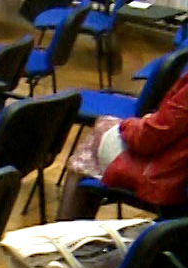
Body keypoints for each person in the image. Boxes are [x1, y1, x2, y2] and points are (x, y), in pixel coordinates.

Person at [57, 68, 188, 219]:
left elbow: (148, 139)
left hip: (163, 176)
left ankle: (66, 229)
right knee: (104, 129)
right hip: (174, 164)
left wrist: (128, 124)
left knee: (87, 151)